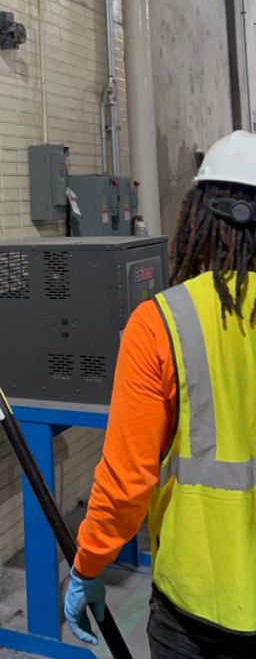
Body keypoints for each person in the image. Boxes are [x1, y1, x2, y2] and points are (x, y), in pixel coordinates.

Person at [63, 130, 256, 658]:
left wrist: (89, 564)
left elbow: (127, 480)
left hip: (197, 604)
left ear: (195, 215)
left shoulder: (163, 323)